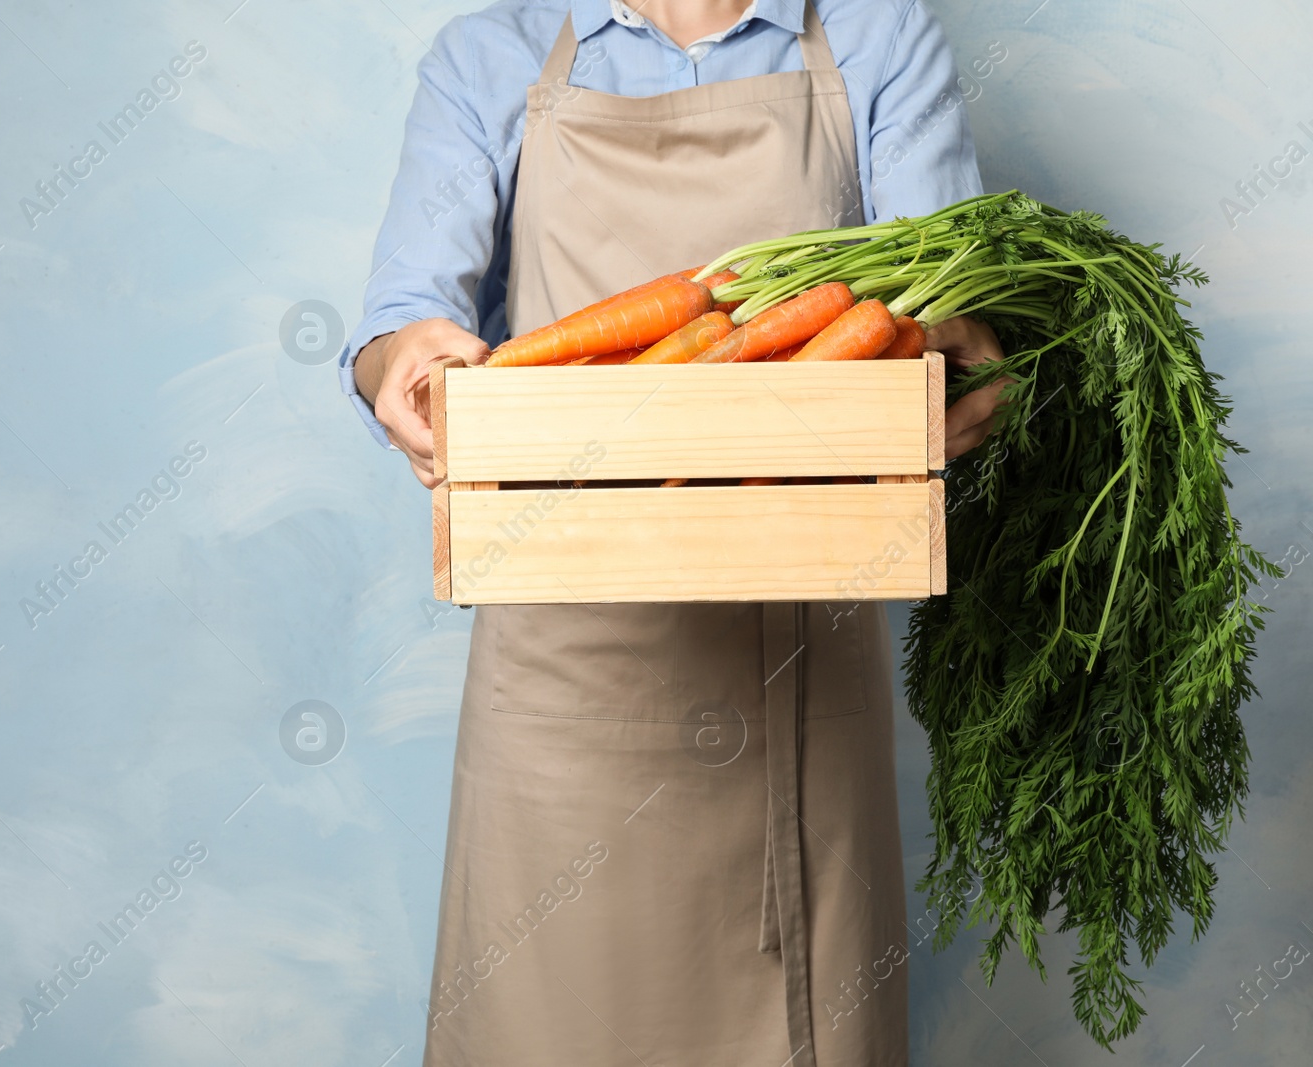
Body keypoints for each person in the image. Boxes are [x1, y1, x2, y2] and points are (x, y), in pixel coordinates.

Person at [338, 2, 1008, 1064]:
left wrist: (963, 351)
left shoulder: (877, 36)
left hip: (792, 678)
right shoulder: (491, 54)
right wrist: (403, 361)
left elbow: (949, 291)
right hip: (553, 695)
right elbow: (402, 312)